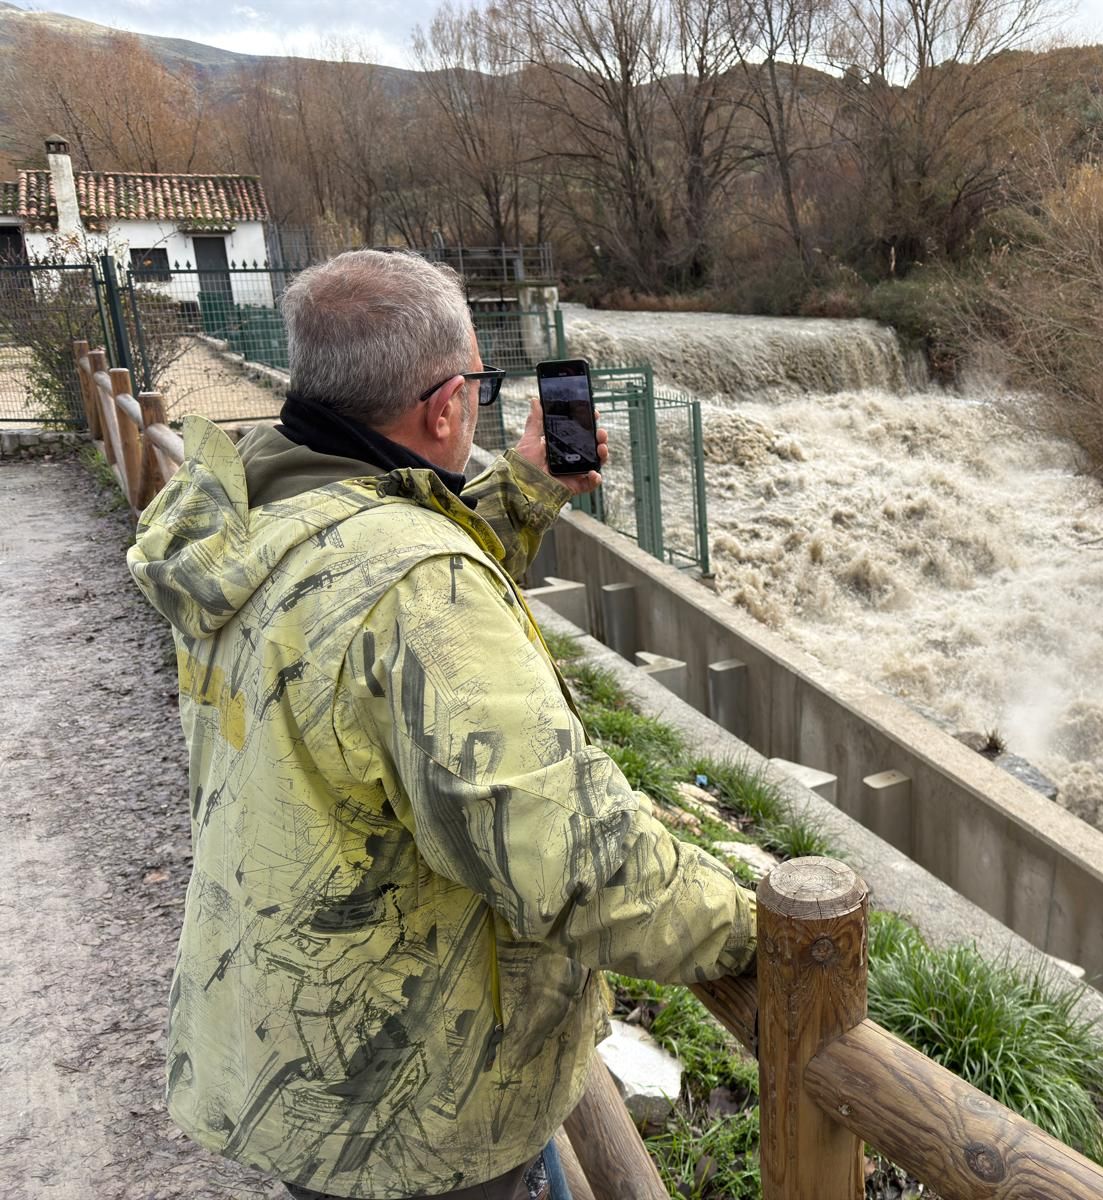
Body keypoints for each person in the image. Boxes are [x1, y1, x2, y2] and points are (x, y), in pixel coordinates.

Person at [128, 250, 757, 1200]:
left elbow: (367, 614)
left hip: (299, 1053)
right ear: (445, 406)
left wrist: (525, 489)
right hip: (410, 1104)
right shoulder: (421, 592)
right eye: (478, 385)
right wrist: (766, 928)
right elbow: (578, 860)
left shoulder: (256, 507)